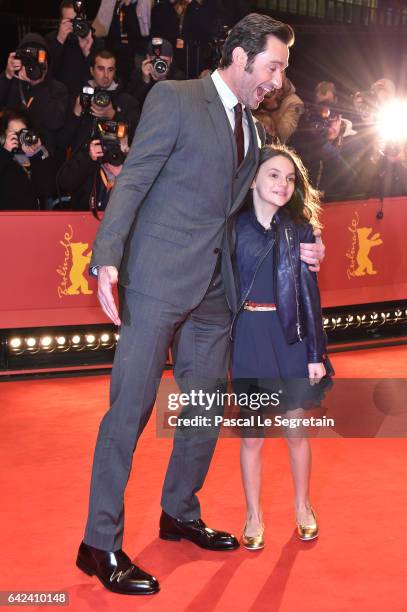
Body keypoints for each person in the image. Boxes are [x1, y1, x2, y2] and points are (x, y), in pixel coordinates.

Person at [76, 13, 325, 596]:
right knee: (130, 412)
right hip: (156, 281)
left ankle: (178, 510)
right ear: (240, 58)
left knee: (206, 407)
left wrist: (304, 242)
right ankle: (99, 542)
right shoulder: (176, 98)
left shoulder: (257, 132)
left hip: (215, 291)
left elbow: (262, 206)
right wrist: (106, 254)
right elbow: (133, 179)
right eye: (273, 67)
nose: (278, 80)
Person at [231, 144, 333, 550]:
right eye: (274, 174)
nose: (283, 184)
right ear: (253, 178)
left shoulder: (300, 229)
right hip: (248, 341)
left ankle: (303, 505)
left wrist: (315, 354)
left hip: (289, 337)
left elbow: (310, 296)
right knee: (252, 436)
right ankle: (253, 514)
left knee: (295, 431)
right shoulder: (231, 227)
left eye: (290, 178)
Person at [0, 33, 69, 158]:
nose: (34, 66)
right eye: (29, 61)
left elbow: (55, 122)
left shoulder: (58, 89)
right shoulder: (12, 82)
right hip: (11, 153)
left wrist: (38, 85)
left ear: (47, 63)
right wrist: (7, 75)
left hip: (41, 155)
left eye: (40, 61)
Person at [0, 108, 57, 210]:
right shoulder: (3, 154)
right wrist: (5, 152)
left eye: (22, 133)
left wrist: (36, 153)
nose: (18, 138)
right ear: (4, 135)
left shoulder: (35, 154)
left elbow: (47, 190)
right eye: (14, 133)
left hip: (31, 219)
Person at [46, 0, 104, 97]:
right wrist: (59, 42)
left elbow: (102, 79)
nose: (74, 25)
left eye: (77, 20)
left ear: (84, 18)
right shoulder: (50, 40)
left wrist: (87, 53)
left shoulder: (96, 43)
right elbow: (47, 74)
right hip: (59, 98)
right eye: (70, 21)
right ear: (61, 21)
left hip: (86, 96)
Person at [126, 37, 185, 109]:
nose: (160, 65)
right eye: (156, 61)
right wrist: (145, 81)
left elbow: (177, 104)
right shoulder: (137, 74)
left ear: (171, 59)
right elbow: (132, 105)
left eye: (164, 61)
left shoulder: (179, 77)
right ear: (148, 57)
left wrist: (163, 80)